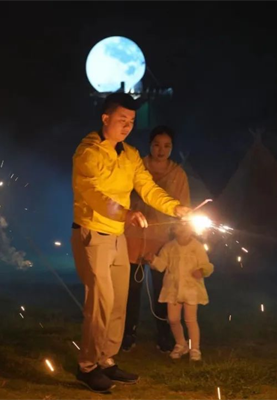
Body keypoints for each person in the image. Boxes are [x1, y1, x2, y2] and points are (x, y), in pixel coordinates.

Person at [71, 93, 191, 393]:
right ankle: (87, 366)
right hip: (92, 234)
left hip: (118, 236)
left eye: (132, 121)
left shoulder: (130, 154)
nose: (127, 126)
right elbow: (93, 195)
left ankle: (106, 359)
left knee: (118, 303)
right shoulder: (88, 153)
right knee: (100, 303)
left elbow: (147, 187)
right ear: (105, 118)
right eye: (122, 120)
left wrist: (175, 207)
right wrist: (126, 213)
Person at [123, 126, 190, 353]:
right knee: (131, 288)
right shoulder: (138, 167)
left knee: (163, 289)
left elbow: (183, 206)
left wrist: (180, 234)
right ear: (150, 145)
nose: (161, 150)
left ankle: (164, 334)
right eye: (157, 145)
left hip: (162, 239)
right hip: (134, 236)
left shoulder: (177, 174)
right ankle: (127, 333)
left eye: (167, 146)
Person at [144, 222, 213, 361]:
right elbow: (162, 265)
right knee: (173, 319)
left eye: (186, 228)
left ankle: (194, 348)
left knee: (190, 320)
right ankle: (181, 344)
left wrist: (202, 271)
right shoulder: (169, 247)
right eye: (179, 229)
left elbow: (206, 265)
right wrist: (153, 260)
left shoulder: (197, 247)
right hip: (173, 289)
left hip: (191, 288)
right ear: (174, 230)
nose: (183, 231)